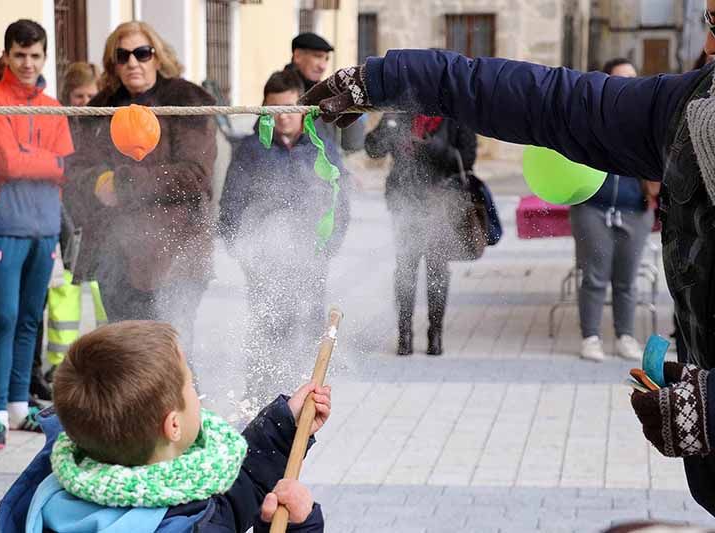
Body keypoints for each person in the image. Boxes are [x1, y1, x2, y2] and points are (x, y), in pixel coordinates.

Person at [298, 9, 715, 513]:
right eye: (711, 22)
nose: (709, 47)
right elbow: (551, 101)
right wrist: (384, 78)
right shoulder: (691, 108)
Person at [0, 320, 329, 532]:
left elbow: (225, 504)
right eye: (189, 384)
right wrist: (299, 527)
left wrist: (284, 426)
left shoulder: (47, 494)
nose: (195, 392)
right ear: (173, 426)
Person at [66, 22, 216, 352]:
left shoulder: (186, 100)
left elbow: (196, 175)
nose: (133, 62)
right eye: (123, 55)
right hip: (114, 254)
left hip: (176, 254)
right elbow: (74, 169)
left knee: (172, 356)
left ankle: (189, 405)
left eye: (142, 53)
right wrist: (96, 183)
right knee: (127, 359)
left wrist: (126, 185)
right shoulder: (99, 108)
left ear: (157, 57)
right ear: (113, 63)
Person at [219, 70, 350, 407]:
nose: (284, 116)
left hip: (309, 261)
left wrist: (328, 247)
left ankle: (302, 401)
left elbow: (339, 201)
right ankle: (261, 401)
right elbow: (231, 202)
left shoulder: (322, 149)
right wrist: (241, 250)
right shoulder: (251, 150)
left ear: (304, 108)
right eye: (275, 109)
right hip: (263, 265)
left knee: (306, 333)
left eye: (290, 107)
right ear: (264, 110)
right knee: (266, 332)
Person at [0, 19, 74, 451]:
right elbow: (8, 165)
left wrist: (33, 159)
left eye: (35, 56)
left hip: (44, 228)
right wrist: (43, 161)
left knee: (31, 318)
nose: (28, 63)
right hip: (4, 226)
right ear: (7, 55)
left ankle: (18, 406)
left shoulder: (52, 104)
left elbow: (63, 167)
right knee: (3, 319)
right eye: (20, 55)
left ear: (44, 57)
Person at [366, 113, 477, 356]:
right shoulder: (401, 112)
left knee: (437, 270)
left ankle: (435, 333)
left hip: (441, 203)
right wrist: (385, 131)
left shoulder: (455, 114)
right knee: (406, 268)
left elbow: (468, 158)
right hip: (404, 202)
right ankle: (404, 332)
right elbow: (373, 150)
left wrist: (438, 149)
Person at [570, 58, 657, 362]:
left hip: (635, 207)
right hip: (592, 206)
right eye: (620, 79)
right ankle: (591, 337)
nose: (627, 85)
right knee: (594, 275)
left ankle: (625, 336)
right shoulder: (588, 120)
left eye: (633, 78)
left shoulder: (647, 119)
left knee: (627, 279)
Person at [31, 61, 106, 396]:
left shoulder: (105, 123)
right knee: (63, 296)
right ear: (67, 95)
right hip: (67, 220)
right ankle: (61, 366)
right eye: (79, 95)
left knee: (104, 296)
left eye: (92, 95)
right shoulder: (58, 122)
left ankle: (110, 361)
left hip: (100, 222)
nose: (86, 102)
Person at [284, 32, 364, 152]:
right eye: (317, 56)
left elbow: (352, 144)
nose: (323, 66)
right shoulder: (281, 89)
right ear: (297, 56)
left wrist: (352, 101)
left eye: (326, 59)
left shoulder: (327, 92)